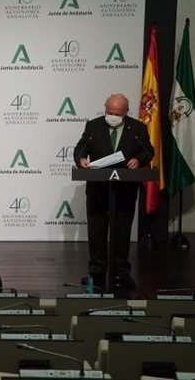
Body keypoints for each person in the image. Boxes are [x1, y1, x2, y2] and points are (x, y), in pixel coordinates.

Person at [73, 93, 154, 289]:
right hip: (98, 190)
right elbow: (81, 148)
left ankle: (120, 272)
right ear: (105, 109)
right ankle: (97, 271)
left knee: (122, 233)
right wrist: (81, 159)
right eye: (109, 112)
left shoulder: (138, 128)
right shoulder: (93, 126)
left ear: (126, 112)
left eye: (117, 113)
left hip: (124, 190)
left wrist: (139, 160)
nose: (113, 116)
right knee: (97, 232)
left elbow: (148, 151)